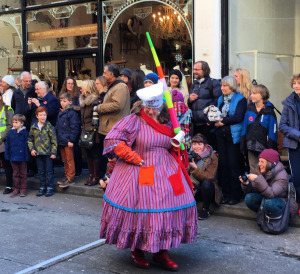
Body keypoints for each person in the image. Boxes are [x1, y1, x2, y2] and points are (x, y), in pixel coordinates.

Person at [100, 82, 197, 271]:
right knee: (143, 209)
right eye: (149, 108)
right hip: (141, 168)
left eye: (155, 108)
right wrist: (130, 155)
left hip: (166, 170)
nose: (152, 112)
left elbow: (170, 145)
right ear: (144, 105)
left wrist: (177, 142)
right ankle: (137, 249)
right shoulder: (133, 120)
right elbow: (112, 139)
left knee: (168, 207)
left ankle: (161, 251)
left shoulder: (168, 121)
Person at [215, 76, 247, 205]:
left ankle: (236, 195)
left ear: (232, 86)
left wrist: (222, 121)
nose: (222, 88)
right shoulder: (220, 99)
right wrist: (214, 121)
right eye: (222, 85)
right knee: (223, 165)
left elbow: (238, 117)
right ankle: (226, 194)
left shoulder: (241, 99)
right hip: (221, 136)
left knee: (233, 166)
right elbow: (216, 113)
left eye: (225, 86)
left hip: (234, 137)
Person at [95, 64, 130, 179]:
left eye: (105, 73)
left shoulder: (120, 87)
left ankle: (114, 184)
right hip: (111, 127)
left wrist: (99, 108)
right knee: (110, 160)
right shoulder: (113, 86)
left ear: (112, 74)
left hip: (115, 128)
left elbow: (117, 105)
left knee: (114, 159)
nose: (103, 75)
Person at [240, 149, 297, 216]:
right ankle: (263, 216)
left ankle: (276, 218)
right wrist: (246, 183)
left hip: (281, 202)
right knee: (249, 198)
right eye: (259, 161)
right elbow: (253, 191)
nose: (259, 164)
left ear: (270, 163)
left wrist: (258, 179)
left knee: (268, 202)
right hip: (266, 198)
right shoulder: (259, 170)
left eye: (262, 162)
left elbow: (271, 194)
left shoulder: (282, 175)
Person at [240, 85, 278, 173]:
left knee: (265, 171)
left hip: (264, 147)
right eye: (251, 93)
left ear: (262, 95)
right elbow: (244, 127)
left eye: (254, 93)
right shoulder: (249, 109)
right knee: (253, 169)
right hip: (250, 146)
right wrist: (243, 143)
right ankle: (254, 187)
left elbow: (273, 132)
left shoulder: (269, 112)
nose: (251, 96)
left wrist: (270, 148)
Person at [188, 61, 222, 149]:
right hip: (195, 124)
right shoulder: (194, 84)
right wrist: (189, 100)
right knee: (197, 150)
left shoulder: (213, 83)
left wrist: (209, 120)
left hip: (206, 124)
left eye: (197, 69)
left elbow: (218, 101)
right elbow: (190, 104)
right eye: (194, 69)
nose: (194, 71)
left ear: (205, 70)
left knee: (209, 149)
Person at [188, 134, 221, 220]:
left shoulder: (212, 156)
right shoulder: (190, 155)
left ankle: (205, 209)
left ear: (204, 145)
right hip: (193, 187)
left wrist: (195, 168)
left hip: (207, 190)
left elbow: (209, 176)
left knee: (207, 183)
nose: (197, 147)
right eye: (194, 144)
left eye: (199, 144)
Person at [279, 73, 300, 205]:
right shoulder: (289, 102)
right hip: (294, 145)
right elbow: (282, 125)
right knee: (297, 177)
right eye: (294, 83)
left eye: (299, 83)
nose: (296, 86)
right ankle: (298, 204)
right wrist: (298, 135)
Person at [28, 107, 57, 197]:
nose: (43, 117)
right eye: (41, 115)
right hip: (38, 153)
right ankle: (42, 187)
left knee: (49, 171)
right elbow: (30, 139)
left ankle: (50, 187)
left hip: (48, 153)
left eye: (44, 115)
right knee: (41, 171)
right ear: (37, 116)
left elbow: (54, 140)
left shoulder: (49, 127)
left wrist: (53, 152)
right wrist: (32, 149)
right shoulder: (34, 127)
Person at [79, 80, 101, 186]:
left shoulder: (95, 102)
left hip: (93, 132)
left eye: (82, 87)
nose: (80, 89)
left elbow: (97, 120)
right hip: (85, 131)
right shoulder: (83, 102)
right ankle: (90, 175)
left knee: (95, 155)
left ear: (88, 89)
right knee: (88, 155)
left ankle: (95, 177)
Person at [57, 93, 80, 188]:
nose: (62, 103)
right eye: (61, 101)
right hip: (61, 139)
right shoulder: (60, 112)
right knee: (64, 159)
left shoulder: (72, 113)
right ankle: (67, 175)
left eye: (64, 101)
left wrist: (71, 140)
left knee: (70, 159)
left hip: (68, 140)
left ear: (70, 102)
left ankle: (71, 177)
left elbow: (75, 127)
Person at [60, 76, 82, 177]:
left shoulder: (77, 95)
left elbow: (80, 108)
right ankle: (68, 171)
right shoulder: (61, 95)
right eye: (68, 83)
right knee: (66, 155)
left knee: (75, 149)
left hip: (74, 123)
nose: (70, 85)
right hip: (64, 126)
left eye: (72, 83)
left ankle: (77, 170)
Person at [5, 114, 29, 197]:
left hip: (22, 157)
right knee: (16, 174)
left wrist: (26, 157)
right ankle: (16, 188)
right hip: (13, 157)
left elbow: (27, 146)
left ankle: (23, 189)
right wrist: (7, 155)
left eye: (16, 122)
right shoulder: (10, 133)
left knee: (23, 174)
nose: (14, 124)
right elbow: (7, 145)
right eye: (13, 122)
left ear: (22, 123)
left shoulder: (25, 133)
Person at [0, 93, 14, 194]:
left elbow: (10, 126)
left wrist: (2, 137)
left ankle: (9, 186)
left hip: (3, 141)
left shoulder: (7, 109)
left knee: (6, 164)